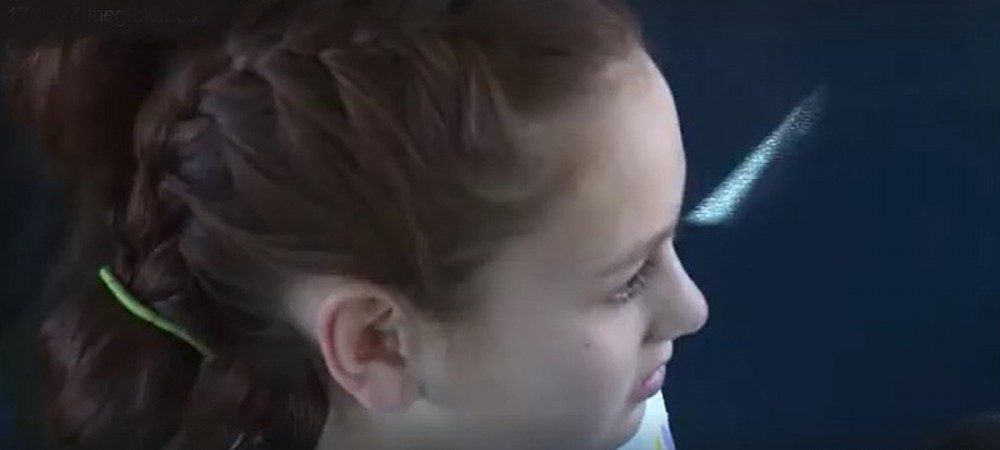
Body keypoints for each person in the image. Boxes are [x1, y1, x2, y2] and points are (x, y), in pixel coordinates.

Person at [2, 0, 708, 448]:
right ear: (379, 344)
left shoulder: (598, 409)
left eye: (667, 245)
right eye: (627, 281)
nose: (692, 308)